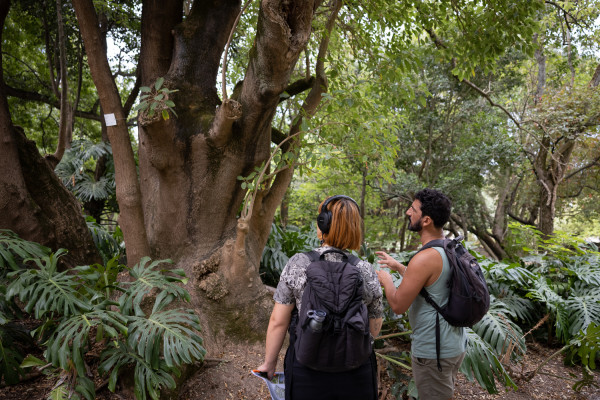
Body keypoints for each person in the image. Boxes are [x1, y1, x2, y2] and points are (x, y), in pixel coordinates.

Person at [256, 195, 383, 400]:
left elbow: (278, 321)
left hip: (306, 369)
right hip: (356, 371)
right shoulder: (365, 270)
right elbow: (374, 327)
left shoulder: (299, 264)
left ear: (323, 223)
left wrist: (269, 363)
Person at [376, 189, 467, 400]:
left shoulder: (425, 258)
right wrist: (399, 267)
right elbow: (432, 284)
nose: (408, 212)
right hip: (454, 344)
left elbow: (398, 305)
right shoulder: (449, 248)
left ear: (426, 220)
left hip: (433, 351)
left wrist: (386, 280)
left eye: (413, 209)